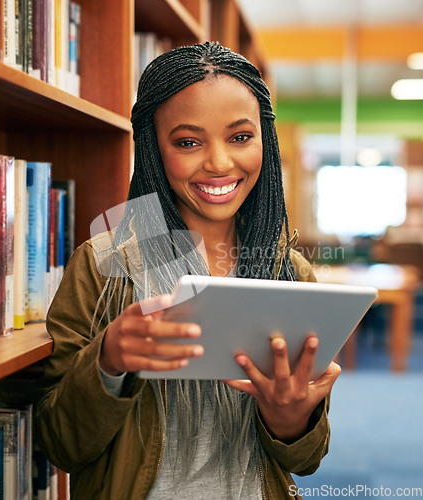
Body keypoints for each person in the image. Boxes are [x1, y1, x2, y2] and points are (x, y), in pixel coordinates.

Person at [35, 41, 341, 500]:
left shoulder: (289, 273)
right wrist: (108, 361)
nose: (219, 163)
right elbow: (60, 445)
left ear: (265, 139)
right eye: (188, 142)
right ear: (154, 148)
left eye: (240, 137)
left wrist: (290, 418)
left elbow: (307, 460)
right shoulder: (104, 267)